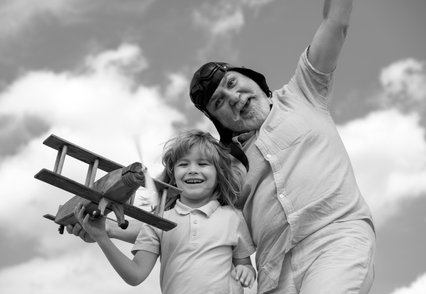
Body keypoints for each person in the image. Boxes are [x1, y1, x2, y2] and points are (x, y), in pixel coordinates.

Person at [188, 0, 376, 293]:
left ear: (251, 77)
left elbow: (335, 23)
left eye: (233, 83)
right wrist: (107, 228)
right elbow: (181, 217)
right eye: (219, 102)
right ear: (217, 119)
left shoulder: (304, 92)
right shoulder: (225, 167)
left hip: (334, 239)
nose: (233, 97)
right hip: (273, 274)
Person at [73, 130, 256, 294]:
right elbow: (135, 275)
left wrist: (247, 271)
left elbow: (245, 264)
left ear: (219, 175)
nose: (192, 170)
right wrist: (102, 237)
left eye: (202, 164)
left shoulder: (233, 217)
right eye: (183, 164)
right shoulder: (158, 222)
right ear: (173, 176)